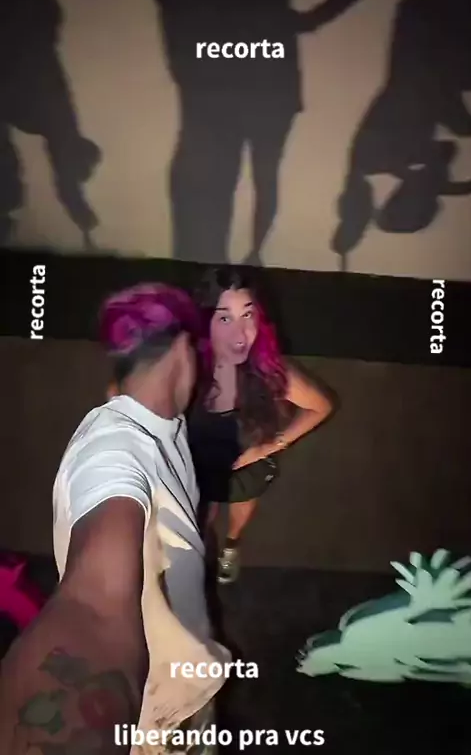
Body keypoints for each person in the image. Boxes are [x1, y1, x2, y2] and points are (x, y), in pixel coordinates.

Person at [0, 283, 229, 754]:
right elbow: (93, 605)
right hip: (156, 727)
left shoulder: (166, 427)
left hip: (182, 697)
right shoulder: (114, 449)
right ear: (184, 347)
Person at [188, 267, 334, 584]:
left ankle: (231, 545)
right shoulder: (188, 363)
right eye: (225, 318)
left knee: (240, 508)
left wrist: (269, 446)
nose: (240, 333)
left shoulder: (270, 371)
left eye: (247, 315)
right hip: (199, 461)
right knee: (201, 513)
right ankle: (199, 547)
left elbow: (321, 406)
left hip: (247, 464)